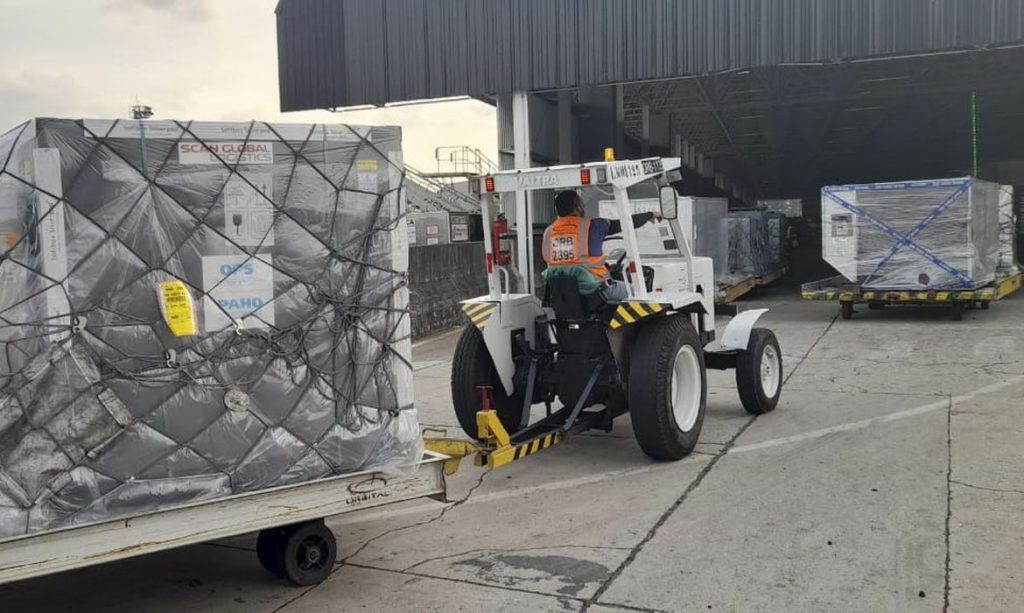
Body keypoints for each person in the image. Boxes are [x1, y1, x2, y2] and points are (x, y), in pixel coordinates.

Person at [541, 189, 661, 303]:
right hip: (595, 291)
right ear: (578, 207)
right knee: (639, 291)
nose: (584, 207)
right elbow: (627, 223)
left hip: (562, 294)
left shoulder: (548, 232)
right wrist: (649, 215)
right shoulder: (594, 226)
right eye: (582, 204)